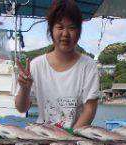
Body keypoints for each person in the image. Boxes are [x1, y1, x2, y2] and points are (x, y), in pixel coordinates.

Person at [15, 0, 100, 129]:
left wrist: (69, 138)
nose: (65, 34)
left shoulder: (88, 66)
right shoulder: (37, 65)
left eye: (72, 28)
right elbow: (21, 108)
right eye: (60, 27)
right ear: (51, 29)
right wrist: (25, 89)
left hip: (75, 138)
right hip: (43, 135)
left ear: (79, 32)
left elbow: (90, 110)